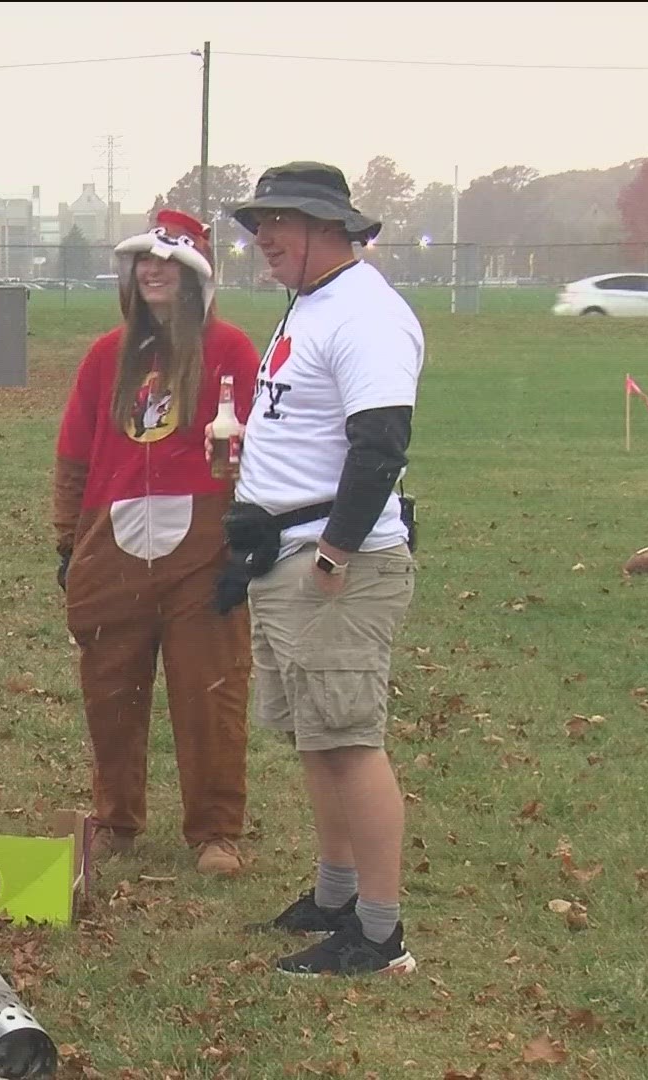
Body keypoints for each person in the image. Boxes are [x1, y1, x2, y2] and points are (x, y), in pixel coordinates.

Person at [229, 162, 424, 976]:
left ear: (331, 228)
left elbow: (380, 443)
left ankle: (379, 935)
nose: (263, 238)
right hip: (287, 556)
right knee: (317, 735)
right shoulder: (311, 304)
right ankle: (335, 893)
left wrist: (336, 554)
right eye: (260, 222)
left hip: (331, 563)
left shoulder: (368, 314)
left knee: (349, 739)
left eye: (281, 221)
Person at [51, 209, 261, 875]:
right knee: (110, 688)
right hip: (112, 540)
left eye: (168, 262)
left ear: (195, 275)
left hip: (202, 545)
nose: (152, 270)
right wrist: (67, 540)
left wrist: (246, 539)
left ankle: (216, 830)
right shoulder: (105, 357)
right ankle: (116, 818)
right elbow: (75, 451)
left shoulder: (231, 351)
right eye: (144, 261)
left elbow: (259, 452)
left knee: (210, 690)